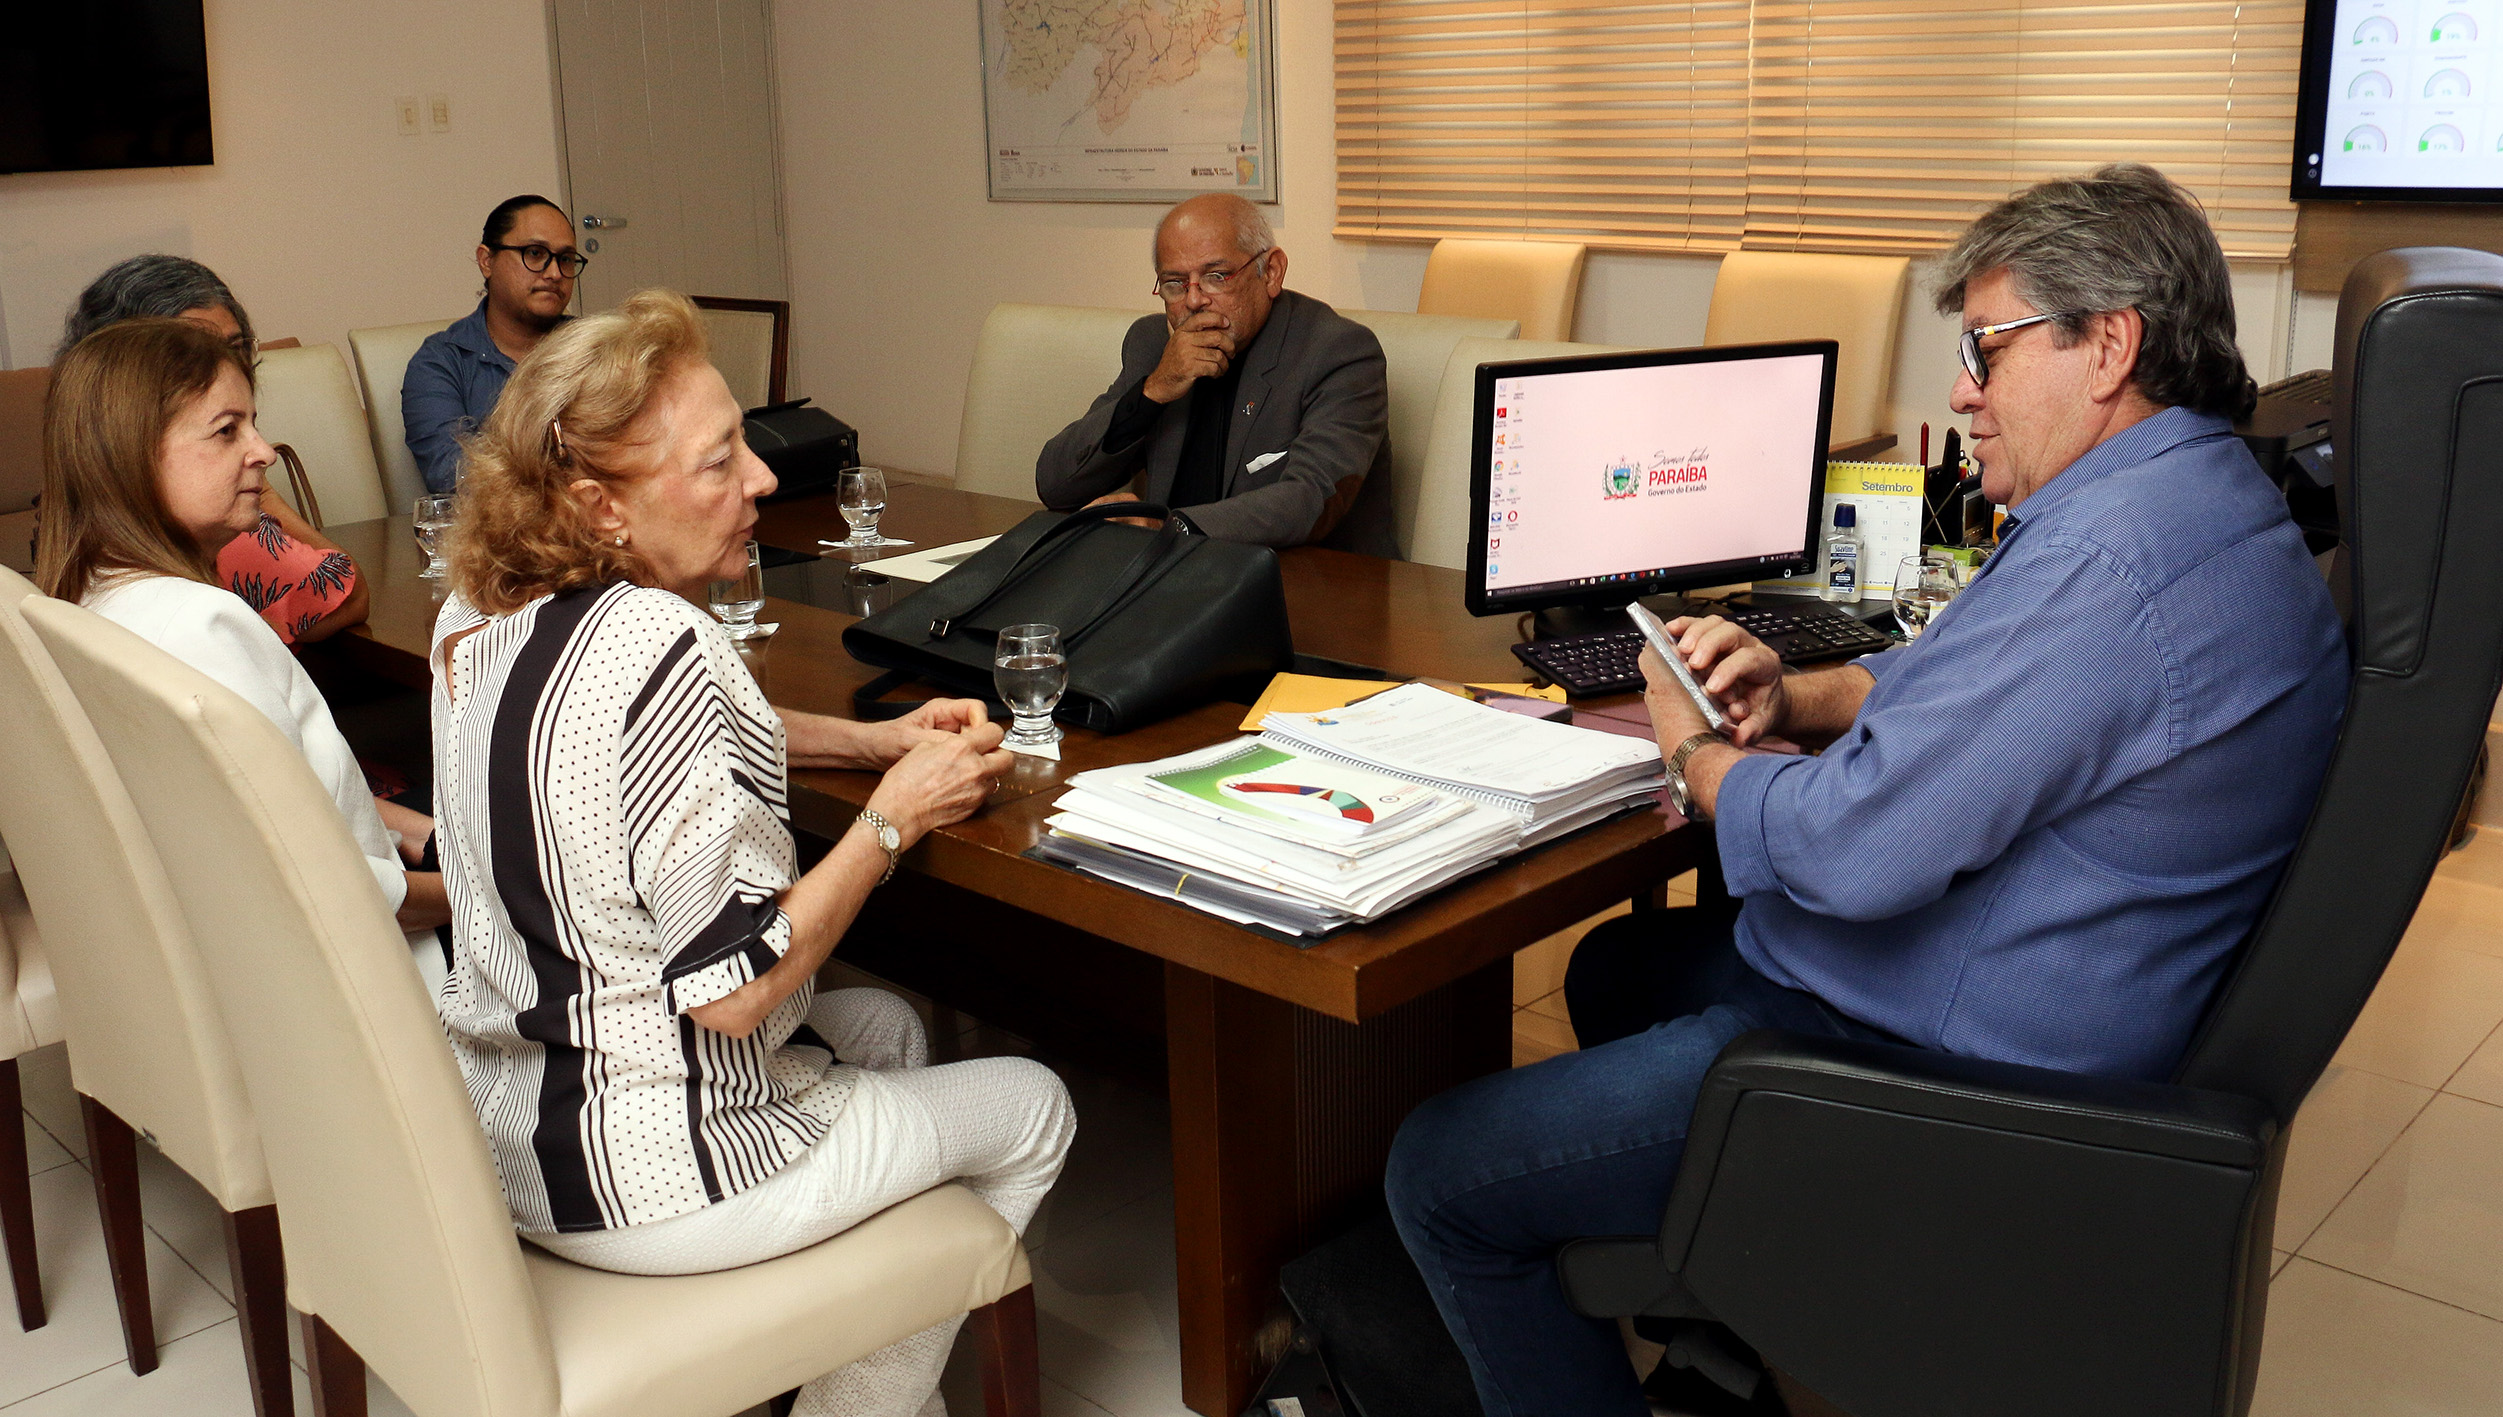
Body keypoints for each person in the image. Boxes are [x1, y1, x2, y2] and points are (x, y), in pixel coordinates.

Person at [1383, 163, 2348, 1416]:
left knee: (1436, 1172)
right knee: (1616, 971)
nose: (1961, 392)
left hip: (1942, 1081)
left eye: (1986, 349)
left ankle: (1732, 1264)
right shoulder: (2200, 501)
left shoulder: (2113, 564)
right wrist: (1797, 696)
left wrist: (1694, 754)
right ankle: (1736, 1319)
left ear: (2108, 345)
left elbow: (1849, 851)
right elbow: (1975, 681)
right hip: (2047, 1009)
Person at [430, 288, 1073, 1417]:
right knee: (1032, 1105)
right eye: (720, 461)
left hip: (523, 1136)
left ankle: (846, 1351)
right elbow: (733, 996)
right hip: (654, 1177)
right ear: (601, 506)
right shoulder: (665, 639)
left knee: (886, 1027)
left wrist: (873, 742)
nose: (764, 480)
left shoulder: (480, 623)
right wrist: (892, 817)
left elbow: (665, 740)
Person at [35, 319, 453, 981]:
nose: (262, 451)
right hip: (383, 976)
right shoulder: (201, 627)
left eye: (253, 424)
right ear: (133, 455)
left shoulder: (92, 600)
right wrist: (481, 897)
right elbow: (341, 892)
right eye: (227, 430)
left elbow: (287, 802)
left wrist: (424, 835)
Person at [1035, 193, 1396, 553]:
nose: (1194, 301)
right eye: (1175, 283)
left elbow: (1310, 498)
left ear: (1271, 272)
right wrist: (1153, 392)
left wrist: (1170, 528)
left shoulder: (1338, 352)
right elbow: (1056, 486)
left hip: (1305, 578)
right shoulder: (1153, 344)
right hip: (1170, 572)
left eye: (1216, 276)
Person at [57, 254, 369, 645]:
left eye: (236, 348)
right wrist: (262, 494)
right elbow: (347, 595)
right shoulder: (209, 527)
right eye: (193, 352)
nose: (226, 366)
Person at [401, 194, 585, 493]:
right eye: (535, 253)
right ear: (487, 261)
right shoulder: (441, 363)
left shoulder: (597, 350)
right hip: (506, 521)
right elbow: (455, 477)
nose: (554, 273)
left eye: (565, 259)